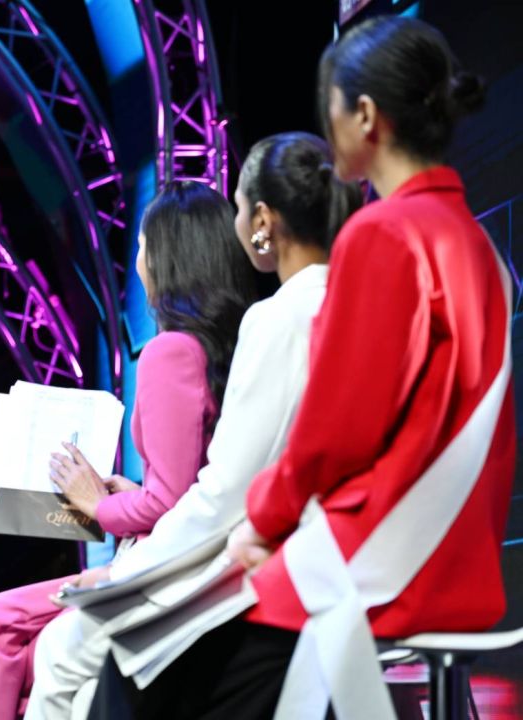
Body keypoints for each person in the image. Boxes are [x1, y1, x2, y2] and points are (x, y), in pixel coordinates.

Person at [89, 16, 515, 720]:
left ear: (365, 116)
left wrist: (261, 527)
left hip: (364, 565)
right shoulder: (480, 247)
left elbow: (334, 433)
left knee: (128, 663)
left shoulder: (381, 235)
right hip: (457, 555)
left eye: (331, 105)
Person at [24, 131, 363, 719]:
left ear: (262, 221)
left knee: (60, 652)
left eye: (238, 209)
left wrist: (127, 573)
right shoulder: (358, 305)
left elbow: (222, 496)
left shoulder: (277, 319)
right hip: (333, 551)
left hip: (263, 563)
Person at [0, 181, 258, 720]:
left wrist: (97, 503)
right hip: (204, 556)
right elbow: (190, 487)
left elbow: (169, 504)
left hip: (166, 565)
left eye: (143, 246)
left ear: (168, 258)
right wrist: (131, 493)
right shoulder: (231, 346)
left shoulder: (170, 352)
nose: (138, 262)